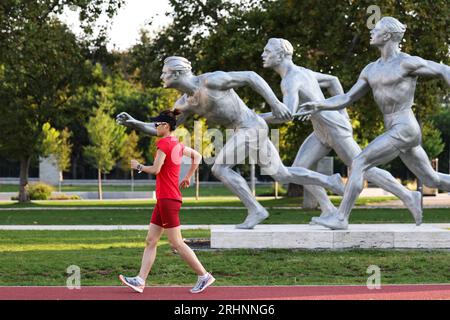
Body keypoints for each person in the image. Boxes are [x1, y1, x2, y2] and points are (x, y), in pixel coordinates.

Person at [117, 56, 345, 230]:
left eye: (164, 73)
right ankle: (329, 180)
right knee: (282, 175)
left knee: (220, 168)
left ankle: (256, 209)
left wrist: (275, 104)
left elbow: (251, 77)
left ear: (177, 73)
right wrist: (135, 123)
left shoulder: (212, 80)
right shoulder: (184, 103)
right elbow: (162, 128)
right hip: (245, 130)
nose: (161, 77)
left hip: (250, 126)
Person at [300, 17, 450, 230]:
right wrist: (319, 105)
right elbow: (347, 98)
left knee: (359, 162)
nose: (371, 33)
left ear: (387, 35)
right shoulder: (370, 69)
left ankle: (341, 217)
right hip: (394, 129)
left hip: (405, 126)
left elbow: (443, 70)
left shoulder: (407, 62)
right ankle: (414, 198)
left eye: (375, 29)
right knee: (431, 179)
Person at [259, 37, 421, 224]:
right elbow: (333, 80)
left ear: (280, 55)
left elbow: (287, 114)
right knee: (299, 169)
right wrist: (343, 112)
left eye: (267, 51)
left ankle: (408, 196)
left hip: (334, 128)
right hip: (321, 130)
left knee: (365, 168)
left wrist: (254, 118)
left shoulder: (290, 80)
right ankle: (328, 209)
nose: (263, 55)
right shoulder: (303, 72)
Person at [119, 109, 215, 294]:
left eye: (157, 124)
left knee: (176, 242)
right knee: (151, 240)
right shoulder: (176, 144)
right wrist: (187, 177)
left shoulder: (164, 143)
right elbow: (198, 156)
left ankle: (204, 276)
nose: (155, 126)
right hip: (165, 199)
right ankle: (140, 280)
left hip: (168, 199)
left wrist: (138, 166)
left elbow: (156, 169)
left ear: (166, 126)